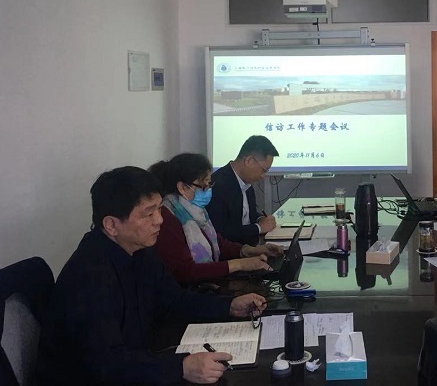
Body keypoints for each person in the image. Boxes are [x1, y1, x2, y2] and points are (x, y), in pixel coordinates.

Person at [37, 166, 268, 385]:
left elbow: (174, 300)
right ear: (111, 225)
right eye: (148, 213)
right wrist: (181, 367)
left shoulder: (140, 250)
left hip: (140, 360)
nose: (159, 220)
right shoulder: (89, 277)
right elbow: (106, 364)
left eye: (158, 208)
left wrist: (229, 306)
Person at [150, 153, 282, 285]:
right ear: (183, 187)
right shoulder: (168, 218)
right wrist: (239, 264)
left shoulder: (195, 210)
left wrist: (249, 250)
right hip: (192, 289)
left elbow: (217, 242)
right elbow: (185, 271)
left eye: (209, 184)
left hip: (209, 282)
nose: (208, 190)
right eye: (203, 186)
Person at [207, 135, 278, 245]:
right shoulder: (219, 185)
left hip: (249, 246)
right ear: (249, 160)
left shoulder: (246, 181)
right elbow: (221, 232)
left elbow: (248, 214)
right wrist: (259, 228)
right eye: (264, 170)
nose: (263, 176)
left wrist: (261, 219)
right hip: (233, 251)